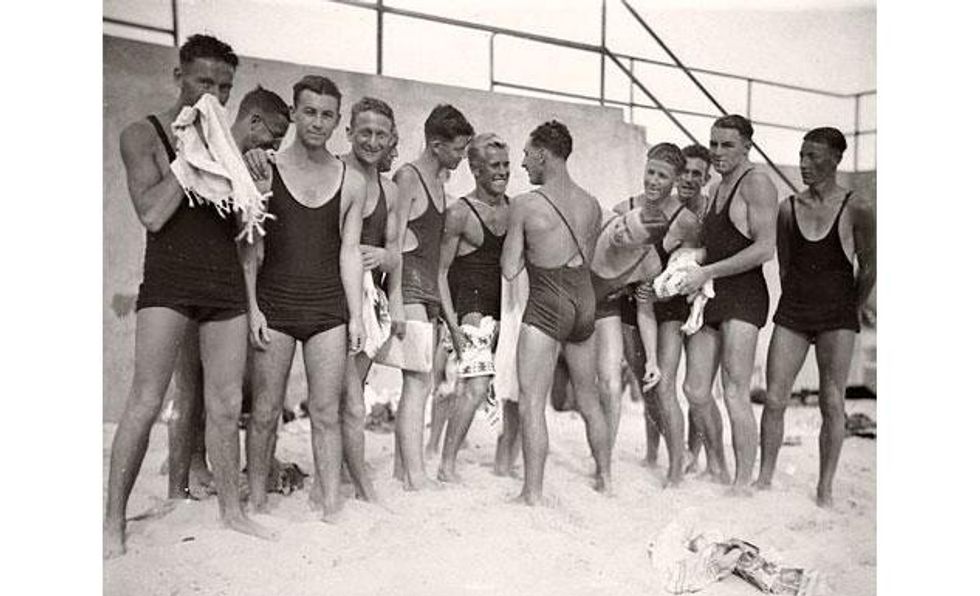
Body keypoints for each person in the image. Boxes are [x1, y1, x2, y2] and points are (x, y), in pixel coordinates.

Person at [105, 34, 276, 559]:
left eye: (224, 87)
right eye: (204, 81)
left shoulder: (230, 146)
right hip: (169, 283)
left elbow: (248, 236)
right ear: (178, 75)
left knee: (225, 405)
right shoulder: (144, 134)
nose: (214, 95)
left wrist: (251, 187)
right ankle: (112, 523)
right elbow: (152, 214)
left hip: (222, 285)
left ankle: (231, 511)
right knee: (146, 401)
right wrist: (191, 159)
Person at [243, 75, 366, 519]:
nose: (317, 121)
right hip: (274, 306)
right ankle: (256, 499)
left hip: (327, 308)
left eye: (327, 114)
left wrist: (356, 316)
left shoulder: (352, 182)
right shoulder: (266, 168)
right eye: (309, 111)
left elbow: (350, 251)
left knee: (325, 412)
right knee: (264, 411)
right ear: (294, 113)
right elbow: (250, 247)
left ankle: (331, 501)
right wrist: (253, 306)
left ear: (337, 121)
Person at [166, 85, 290, 501]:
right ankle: (181, 480)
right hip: (193, 282)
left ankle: (208, 468)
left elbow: (254, 238)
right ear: (253, 121)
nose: (274, 145)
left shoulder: (257, 166)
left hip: (231, 291)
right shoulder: (208, 152)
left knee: (225, 393)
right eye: (272, 135)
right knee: (189, 388)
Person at [755, 127, 875, 507]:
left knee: (831, 401)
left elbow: (869, 269)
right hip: (794, 311)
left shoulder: (857, 207)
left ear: (836, 159)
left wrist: (850, 309)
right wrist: (802, 305)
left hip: (837, 314)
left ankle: (825, 489)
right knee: (774, 398)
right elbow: (787, 267)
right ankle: (764, 478)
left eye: (814, 157)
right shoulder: (788, 208)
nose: (805, 165)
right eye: (802, 156)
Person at [501, 120, 611, 505]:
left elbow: (510, 268)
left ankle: (532, 492)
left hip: (547, 304)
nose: (523, 165)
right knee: (589, 398)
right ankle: (606, 477)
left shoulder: (525, 204)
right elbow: (588, 258)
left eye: (528, 156)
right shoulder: (593, 204)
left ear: (544, 155)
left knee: (532, 402)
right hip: (585, 305)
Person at [677, 114, 778, 495]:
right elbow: (719, 245)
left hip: (744, 295)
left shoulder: (758, 183)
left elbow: (764, 248)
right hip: (714, 293)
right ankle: (717, 465)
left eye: (727, 145)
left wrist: (707, 271)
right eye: (714, 144)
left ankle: (742, 483)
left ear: (747, 146)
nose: (717, 152)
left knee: (735, 390)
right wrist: (691, 258)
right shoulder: (719, 187)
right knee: (695, 390)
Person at [600, 143, 701, 486]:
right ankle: (651, 453)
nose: (654, 181)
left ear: (675, 180)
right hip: (632, 305)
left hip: (667, 308)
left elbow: (699, 255)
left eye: (663, 176)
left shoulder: (685, 220)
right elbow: (609, 257)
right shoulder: (623, 208)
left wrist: (670, 277)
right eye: (651, 172)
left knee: (666, 387)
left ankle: (675, 468)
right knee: (645, 387)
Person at [392, 104, 474, 490]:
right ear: (437, 144)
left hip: (427, 290)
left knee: (419, 381)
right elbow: (393, 243)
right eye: (458, 150)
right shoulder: (408, 177)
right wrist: (393, 300)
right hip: (406, 285)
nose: (462, 157)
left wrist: (444, 311)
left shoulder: (439, 184)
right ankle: (415, 476)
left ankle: (400, 470)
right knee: (418, 383)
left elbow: (436, 261)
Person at [334, 96, 404, 503]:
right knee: (345, 400)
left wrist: (382, 259)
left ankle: (347, 472)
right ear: (350, 132)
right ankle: (358, 481)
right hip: (328, 295)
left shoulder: (390, 190)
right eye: (365, 132)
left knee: (353, 390)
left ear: (391, 138)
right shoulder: (335, 172)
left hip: (366, 301)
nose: (372, 141)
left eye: (381, 134)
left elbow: (396, 253)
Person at [435, 133, 511, 482]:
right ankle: (446, 463)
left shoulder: (515, 208)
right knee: (475, 387)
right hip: (471, 307)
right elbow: (441, 272)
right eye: (494, 166)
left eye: (506, 165)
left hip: (505, 306)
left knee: (513, 387)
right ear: (475, 169)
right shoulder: (459, 213)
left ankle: (504, 461)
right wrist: (450, 323)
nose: (502, 173)